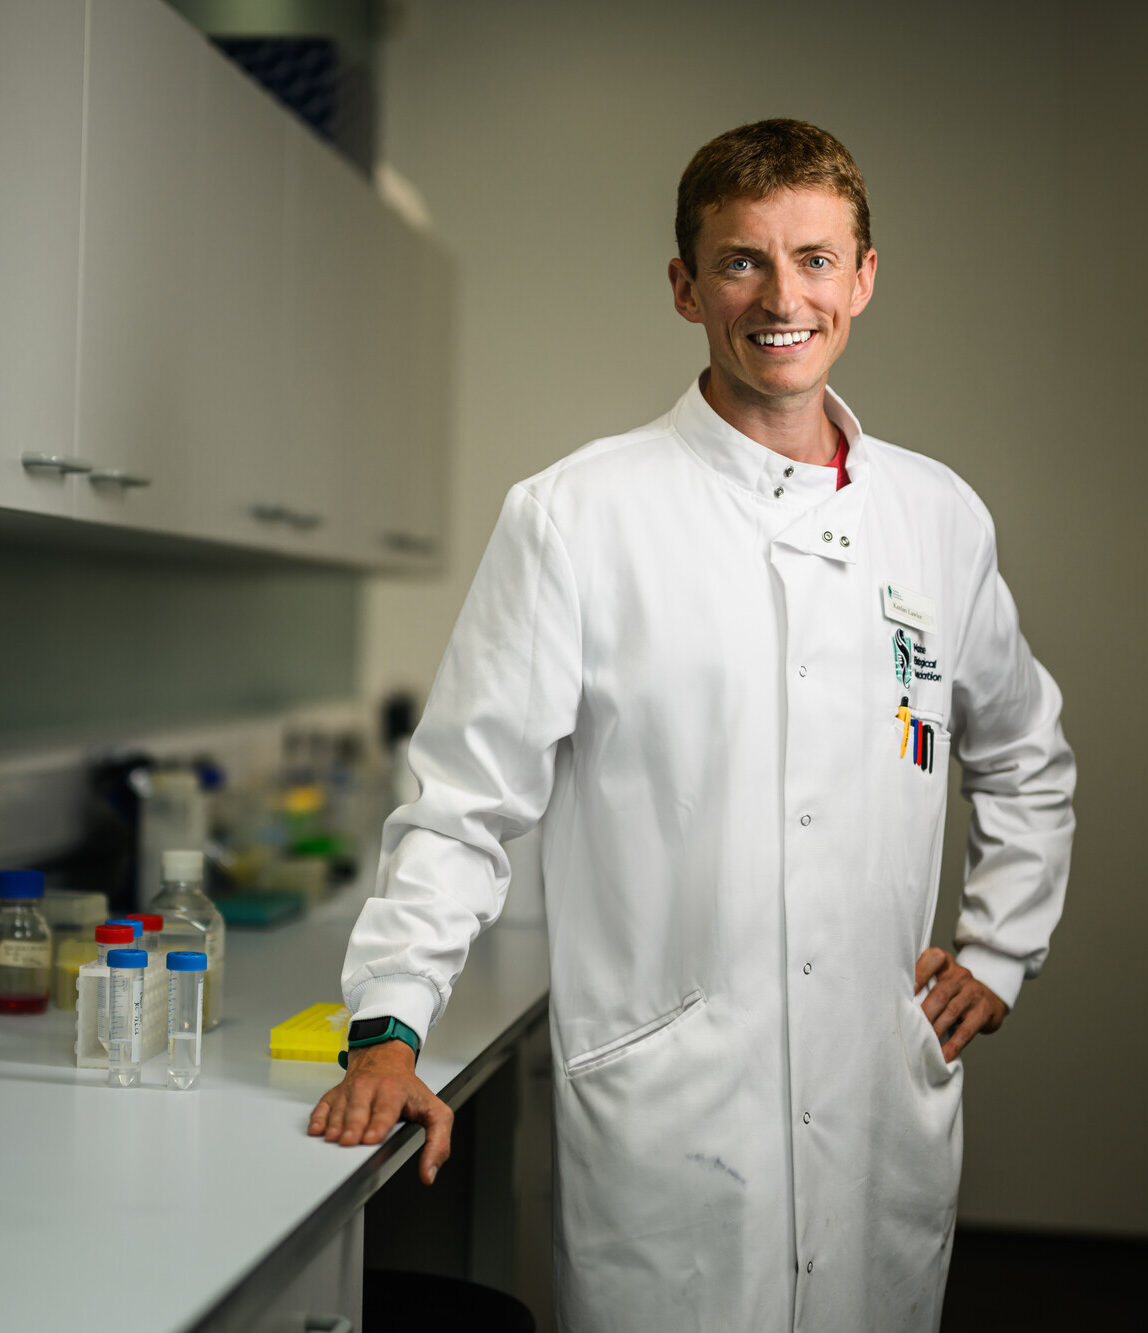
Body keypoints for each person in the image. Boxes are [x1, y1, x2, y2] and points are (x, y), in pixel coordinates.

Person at [309, 119, 1075, 1332]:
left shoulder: (936, 516)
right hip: (668, 1105)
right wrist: (388, 1027)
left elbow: (1024, 751)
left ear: (863, 277)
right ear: (684, 286)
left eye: (815, 259)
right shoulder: (578, 516)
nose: (782, 297)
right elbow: (465, 803)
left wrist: (1000, 944)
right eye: (741, 262)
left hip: (878, 1102)